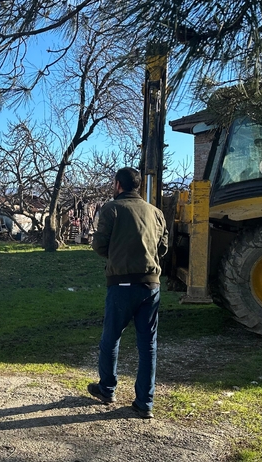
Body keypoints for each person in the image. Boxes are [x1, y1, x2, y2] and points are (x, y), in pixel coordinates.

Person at [87, 167, 168, 419]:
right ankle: (145, 403)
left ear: (117, 185)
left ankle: (107, 388)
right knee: (148, 345)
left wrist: (117, 256)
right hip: (151, 285)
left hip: (121, 284)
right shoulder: (156, 212)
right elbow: (163, 247)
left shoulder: (111, 209)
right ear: (138, 185)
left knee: (110, 338)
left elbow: (99, 245)